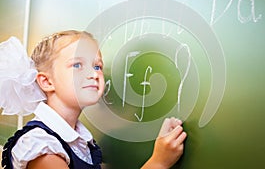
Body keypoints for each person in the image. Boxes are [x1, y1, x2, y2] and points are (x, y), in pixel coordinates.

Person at [0, 30, 187, 169]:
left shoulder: (78, 139)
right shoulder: (42, 148)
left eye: (97, 66)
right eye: (77, 65)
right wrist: (159, 162)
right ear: (47, 81)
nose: (93, 74)